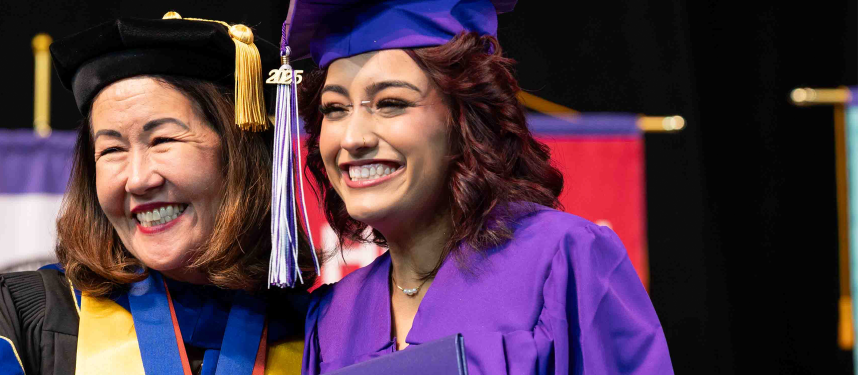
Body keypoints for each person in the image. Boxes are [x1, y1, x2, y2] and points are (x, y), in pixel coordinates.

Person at [0, 12, 316, 375]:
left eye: (163, 139)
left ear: (241, 153)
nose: (136, 179)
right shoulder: (20, 319)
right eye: (111, 149)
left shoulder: (318, 333)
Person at [283, 0, 675, 373]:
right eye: (335, 109)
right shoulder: (335, 316)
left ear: (466, 118)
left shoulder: (561, 259)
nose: (352, 138)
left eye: (390, 103)